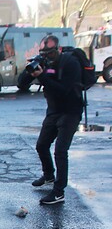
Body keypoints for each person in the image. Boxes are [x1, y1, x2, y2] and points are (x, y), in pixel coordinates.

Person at [18, 35, 83, 205]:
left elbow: (63, 90)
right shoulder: (44, 64)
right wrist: (30, 71)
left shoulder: (70, 64)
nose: (47, 56)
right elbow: (21, 84)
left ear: (58, 50)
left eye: (50, 53)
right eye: (43, 53)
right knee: (41, 145)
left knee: (60, 151)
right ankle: (48, 176)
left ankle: (59, 191)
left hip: (71, 111)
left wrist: (44, 76)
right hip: (53, 111)